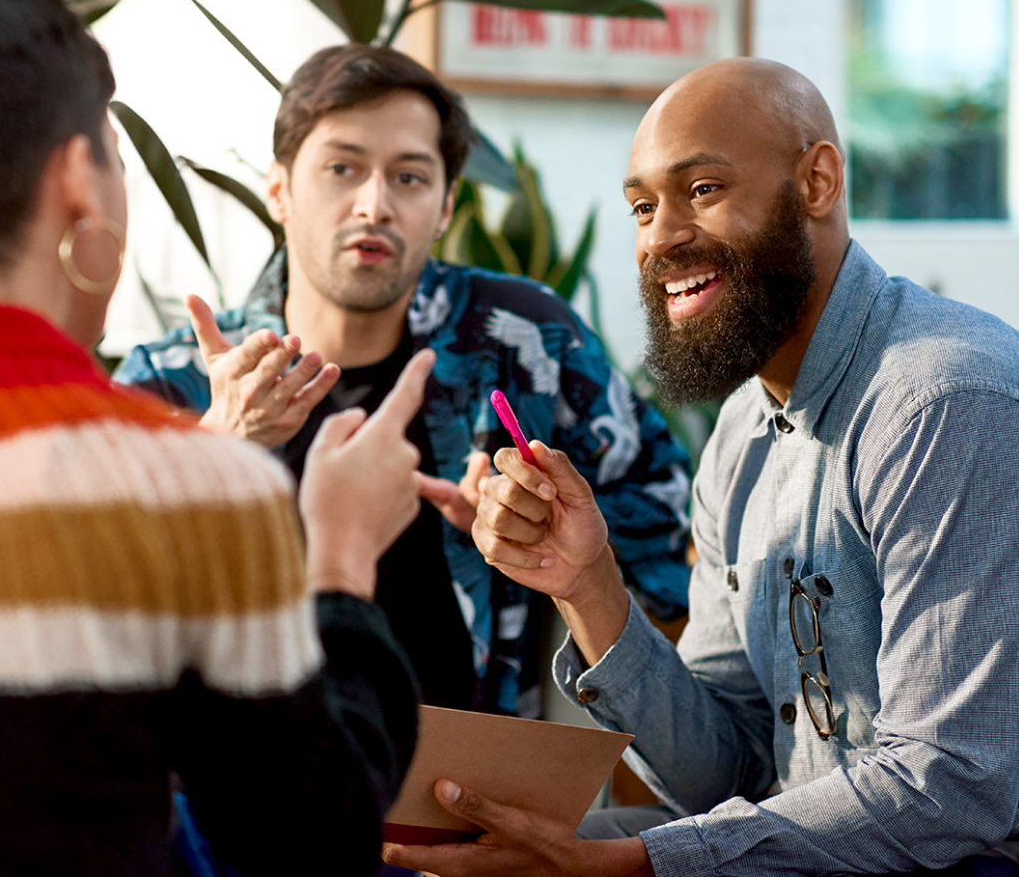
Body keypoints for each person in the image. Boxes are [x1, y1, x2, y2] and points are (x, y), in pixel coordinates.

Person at [382, 57, 1019, 876]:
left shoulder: (943, 402)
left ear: (818, 181)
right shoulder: (741, 434)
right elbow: (732, 773)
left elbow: (952, 787)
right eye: (643, 207)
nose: (660, 237)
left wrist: (625, 865)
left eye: (704, 190)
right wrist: (587, 585)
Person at [0, 0, 427, 877]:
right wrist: (339, 558)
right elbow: (308, 845)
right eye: (118, 162)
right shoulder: (197, 486)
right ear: (78, 180)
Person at [116, 44, 692, 718]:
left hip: (475, 771)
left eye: (409, 177)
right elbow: (78, 605)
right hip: (238, 772)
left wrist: (541, 528)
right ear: (279, 190)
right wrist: (215, 447)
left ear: (445, 206)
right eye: (342, 168)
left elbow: (666, 511)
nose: (374, 204)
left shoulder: (525, 340)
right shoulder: (172, 382)